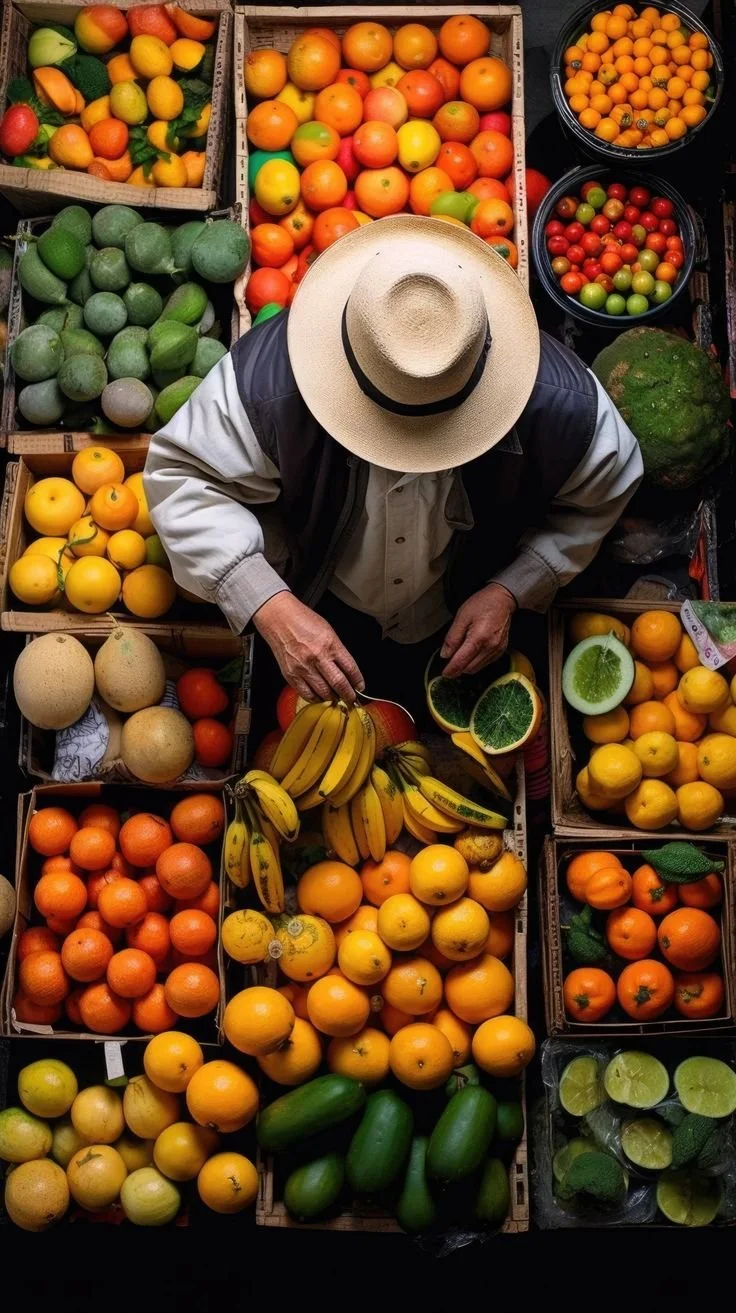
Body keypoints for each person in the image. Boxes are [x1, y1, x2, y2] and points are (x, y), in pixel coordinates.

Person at [144, 215, 642, 718]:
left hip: (455, 607)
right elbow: (182, 477)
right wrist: (268, 603)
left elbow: (606, 491)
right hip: (315, 587)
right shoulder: (265, 386)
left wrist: (516, 586)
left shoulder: (563, 407)